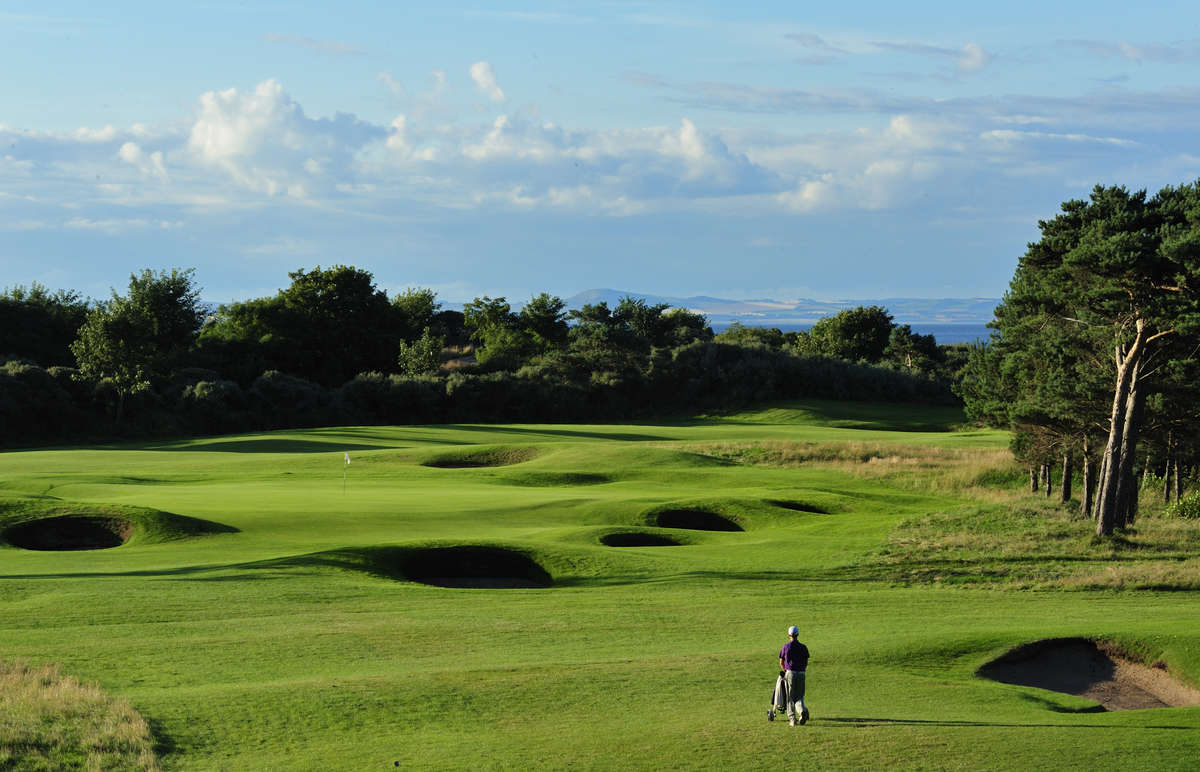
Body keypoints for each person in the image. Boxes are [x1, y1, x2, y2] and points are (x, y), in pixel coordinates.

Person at [778, 625, 810, 726]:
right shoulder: (803, 647)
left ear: (789, 635)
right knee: (799, 696)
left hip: (790, 672)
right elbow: (806, 662)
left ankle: (792, 719)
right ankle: (801, 712)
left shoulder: (786, 647)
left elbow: (781, 662)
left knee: (790, 697)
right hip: (801, 673)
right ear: (797, 634)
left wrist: (786, 671)